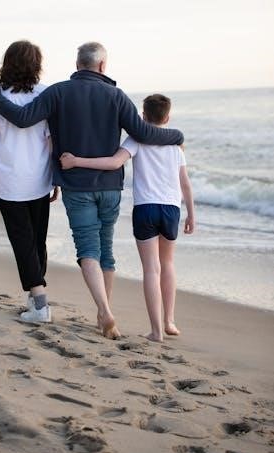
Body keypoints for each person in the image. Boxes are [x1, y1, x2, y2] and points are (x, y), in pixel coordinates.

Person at [0, 43, 184, 339]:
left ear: (78, 64)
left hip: (76, 186)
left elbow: (23, 118)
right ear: (102, 66)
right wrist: (176, 135)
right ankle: (103, 312)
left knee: (88, 249)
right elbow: (144, 133)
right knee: (106, 250)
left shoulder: (58, 92)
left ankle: (104, 311)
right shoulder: (117, 96)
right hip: (110, 187)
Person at [60, 93, 195, 342]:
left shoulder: (137, 139)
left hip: (146, 209)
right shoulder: (175, 146)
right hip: (172, 209)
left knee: (151, 269)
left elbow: (114, 163)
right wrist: (191, 215)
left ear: (142, 116)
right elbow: (185, 183)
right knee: (167, 264)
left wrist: (76, 161)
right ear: (167, 117)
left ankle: (156, 332)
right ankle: (169, 321)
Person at [0, 40, 59, 323]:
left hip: (10, 184)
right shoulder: (46, 94)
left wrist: (0, 165)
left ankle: (39, 303)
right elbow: (52, 140)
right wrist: (55, 178)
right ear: (36, 64)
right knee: (37, 241)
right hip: (40, 180)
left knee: (22, 241)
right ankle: (36, 299)